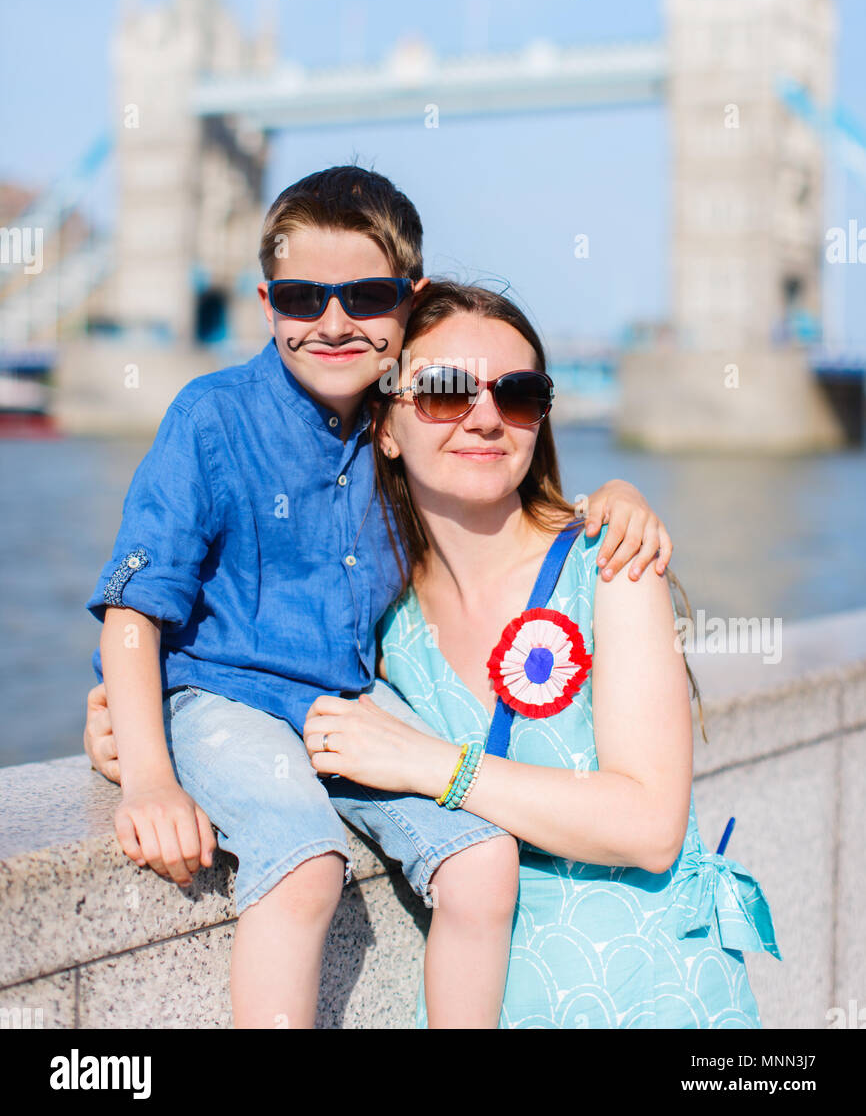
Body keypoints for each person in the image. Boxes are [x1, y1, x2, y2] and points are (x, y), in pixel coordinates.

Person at [84, 165, 671, 1030]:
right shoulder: (212, 418)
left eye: (364, 295)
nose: (331, 323)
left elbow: (506, 495)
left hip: (351, 700)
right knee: (306, 861)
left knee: (481, 858)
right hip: (225, 696)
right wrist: (147, 773)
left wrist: (616, 493)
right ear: (265, 300)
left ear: (409, 298)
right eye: (299, 297)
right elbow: (138, 607)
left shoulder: (399, 419)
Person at [297, 280, 782, 1028]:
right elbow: (263, 682)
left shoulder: (610, 561)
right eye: (446, 392)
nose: (486, 418)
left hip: (659, 1002)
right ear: (386, 426)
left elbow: (649, 825)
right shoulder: (380, 617)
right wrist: (143, 728)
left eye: (518, 394)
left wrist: (430, 765)